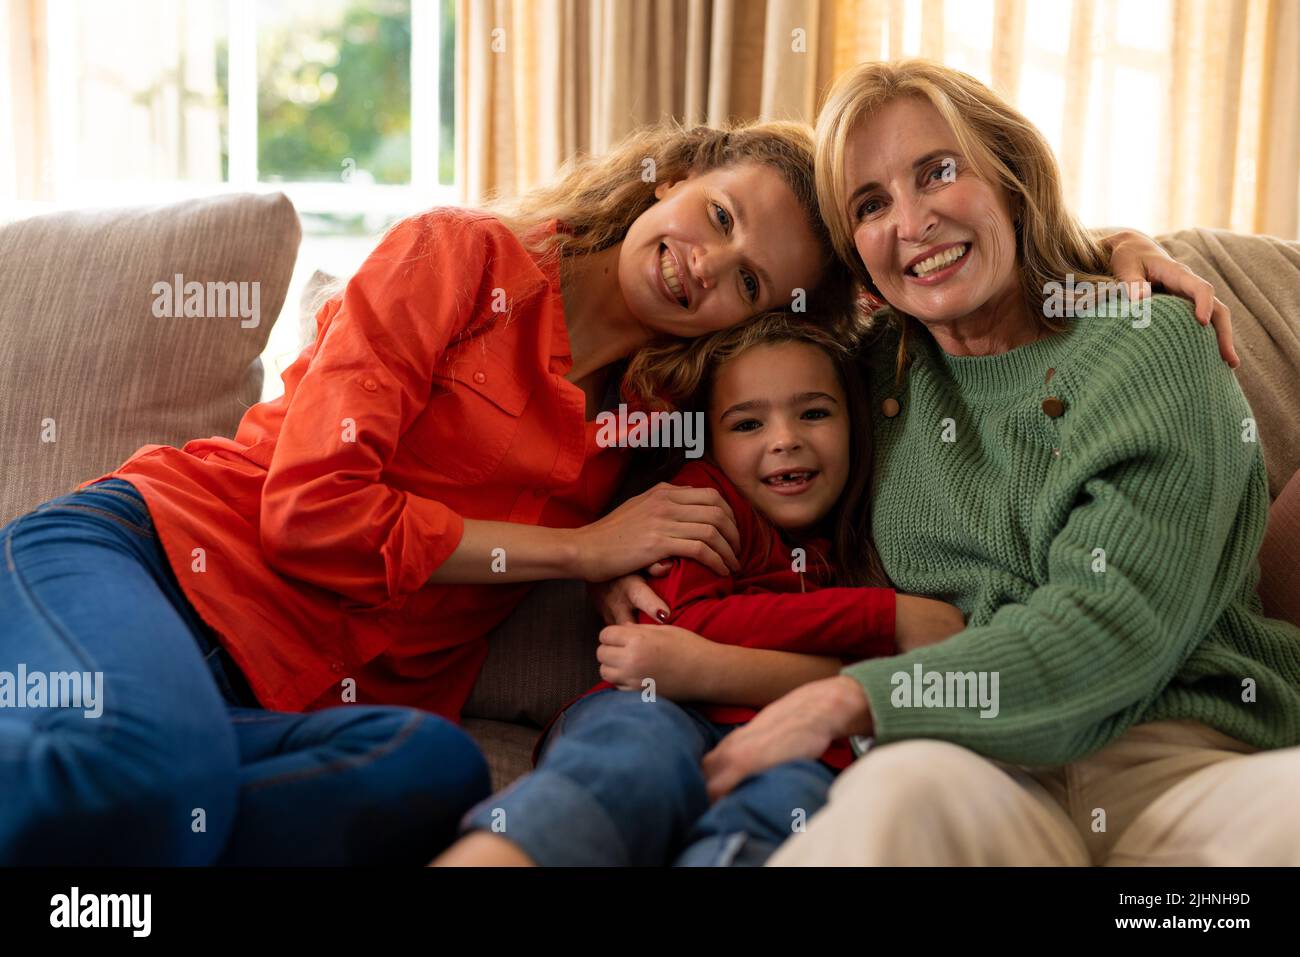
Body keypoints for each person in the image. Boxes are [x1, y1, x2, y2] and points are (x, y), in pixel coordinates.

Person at [682, 59, 1300, 866]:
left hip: (1182, 761)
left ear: (1011, 173)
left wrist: (852, 697)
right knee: (892, 802)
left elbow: (1112, 627)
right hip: (978, 766)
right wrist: (626, 546)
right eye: (871, 204)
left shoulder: (1153, 344)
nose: (912, 222)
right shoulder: (870, 376)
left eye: (937, 171)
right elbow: (722, 391)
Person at [434, 313, 965, 866]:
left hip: (794, 740)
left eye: (814, 413)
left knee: (791, 800)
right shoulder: (700, 504)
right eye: (747, 425)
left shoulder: (867, 543)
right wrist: (881, 618)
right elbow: (681, 623)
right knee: (629, 765)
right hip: (652, 709)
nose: (785, 441)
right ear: (708, 440)